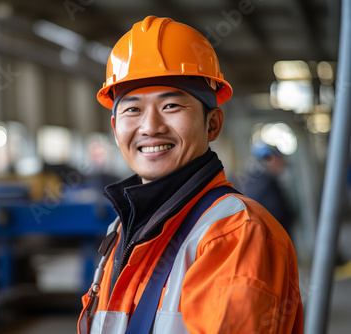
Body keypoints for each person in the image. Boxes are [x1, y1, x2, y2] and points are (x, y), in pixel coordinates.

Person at [78, 16, 303, 334]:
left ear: (212, 124)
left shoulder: (235, 233)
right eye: (132, 109)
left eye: (170, 105)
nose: (151, 127)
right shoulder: (123, 227)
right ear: (116, 129)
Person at [239, 142, 295, 238]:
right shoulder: (264, 184)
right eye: (279, 158)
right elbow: (277, 215)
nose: (283, 163)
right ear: (268, 159)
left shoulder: (254, 180)